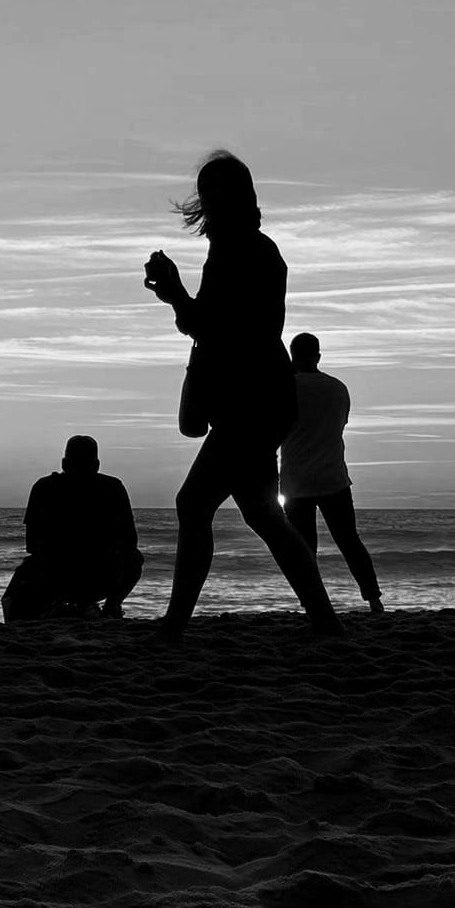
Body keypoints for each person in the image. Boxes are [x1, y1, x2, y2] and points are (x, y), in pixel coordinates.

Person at [142, 152, 339, 638]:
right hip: (264, 398)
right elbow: (214, 325)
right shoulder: (251, 248)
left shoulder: (240, 251)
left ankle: (174, 625)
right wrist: (179, 297)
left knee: (193, 503)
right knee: (263, 514)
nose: (205, 208)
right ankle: (325, 621)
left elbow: (214, 329)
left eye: (210, 198)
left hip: (250, 402)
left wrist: (175, 294)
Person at [280, 333, 383, 613]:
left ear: (292, 356)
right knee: (349, 541)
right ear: (318, 356)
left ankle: (313, 604)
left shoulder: (286, 387)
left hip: (296, 481)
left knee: (304, 548)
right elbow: (341, 423)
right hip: (333, 477)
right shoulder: (338, 388)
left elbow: (276, 429)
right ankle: (374, 599)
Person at [2, 435, 143, 621]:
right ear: (97, 465)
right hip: (100, 575)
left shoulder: (44, 487)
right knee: (134, 558)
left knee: (27, 571)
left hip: (53, 576)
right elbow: (130, 540)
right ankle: (111, 607)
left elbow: (32, 544)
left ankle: (54, 606)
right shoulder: (112, 487)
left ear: (64, 463)